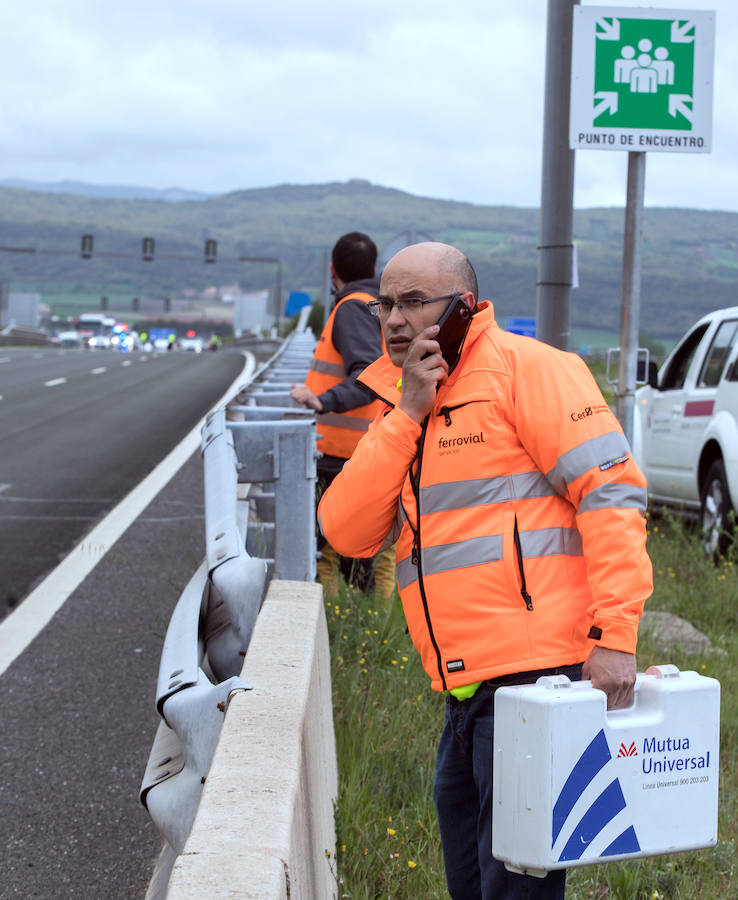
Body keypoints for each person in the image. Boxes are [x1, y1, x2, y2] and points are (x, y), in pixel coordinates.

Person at [318, 242, 653, 899]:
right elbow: (348, 533)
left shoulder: (529, 370)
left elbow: (612, 497)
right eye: (386, 303)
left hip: (539, 680)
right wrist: (408, 414)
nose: (392, 320)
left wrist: (616, 637)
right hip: (465, 694)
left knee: (518, 886)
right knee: (472, 885)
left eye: (414, 303)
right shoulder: (407, 399)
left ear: (462, 309)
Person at [291, 231, 396, 599]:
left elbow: (366, 374)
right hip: (359, 447)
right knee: (357, 554)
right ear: (373, 268)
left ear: (332, 269)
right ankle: (363, 626)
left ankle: (343, 625)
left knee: (330, 553)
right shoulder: (376, 305)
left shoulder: (352, 308)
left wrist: (323, 401)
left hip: (341, 453)